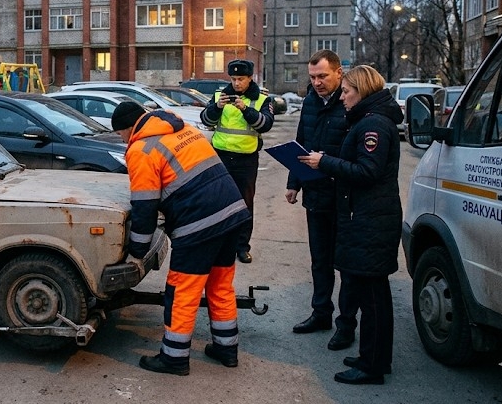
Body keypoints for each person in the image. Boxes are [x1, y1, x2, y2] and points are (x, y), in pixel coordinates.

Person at [111, 101, 252, 376]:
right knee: (220, 286)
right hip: (232, 214)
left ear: (128, 128)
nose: (122, 139)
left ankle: (174, 358)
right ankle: (227, 350)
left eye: (120, 134)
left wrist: (138, 249)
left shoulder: (142, 149)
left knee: (181, 293)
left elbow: (145, 205)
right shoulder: (182, 128)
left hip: (199, 226)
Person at [297, 65, 403, 385]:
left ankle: (372, 366)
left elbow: (367, 171)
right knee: (372, 295)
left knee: (373, 300)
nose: (342, 97)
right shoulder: (368, 120)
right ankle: (371, 357)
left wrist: (324, 163)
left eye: (346, 91)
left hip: (370, 222)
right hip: (366, 219)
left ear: (362, 91)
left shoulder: (373, 125)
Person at [286, 50, 358, 351]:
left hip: (344, 196)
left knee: (346, 263)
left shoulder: (350, 103)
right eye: (312, 77)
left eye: (322, 76)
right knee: (320, 260)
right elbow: (302, 141)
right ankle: (321, 314)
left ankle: (346, 325)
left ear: (339, 73)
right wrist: (294, 182)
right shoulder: (310, 102)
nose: (316, 83)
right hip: (316, 194)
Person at [201, 59, 275, 263]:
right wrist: (216, 107)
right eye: (233, 79)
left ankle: (242, 247)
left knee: (244, 204)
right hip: (221, 157)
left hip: (246, 160)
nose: (236, 83)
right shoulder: (219, 96)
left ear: (250, 78)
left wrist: (245, 109)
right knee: (218, 202)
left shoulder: (261, 99)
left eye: (241, 79)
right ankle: (219, 244)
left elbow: (265, 125)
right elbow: (206, 120)